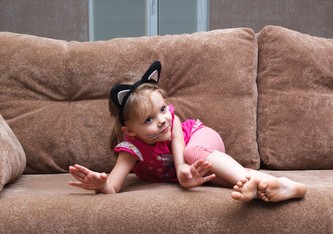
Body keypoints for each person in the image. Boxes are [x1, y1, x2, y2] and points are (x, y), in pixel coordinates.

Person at [68, 61, 306, 202]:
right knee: (219, 180)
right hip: (198, 167)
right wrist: (100, 185)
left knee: (194, 152)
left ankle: (250, 180)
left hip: (200, 139)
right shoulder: (130, 149)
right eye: (149, 119)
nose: (162, 121)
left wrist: (183, 172)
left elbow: (181, 158)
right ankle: (280, 185)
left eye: (162, 109)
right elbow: (113, 186)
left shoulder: (173, 123)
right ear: (129, 131)